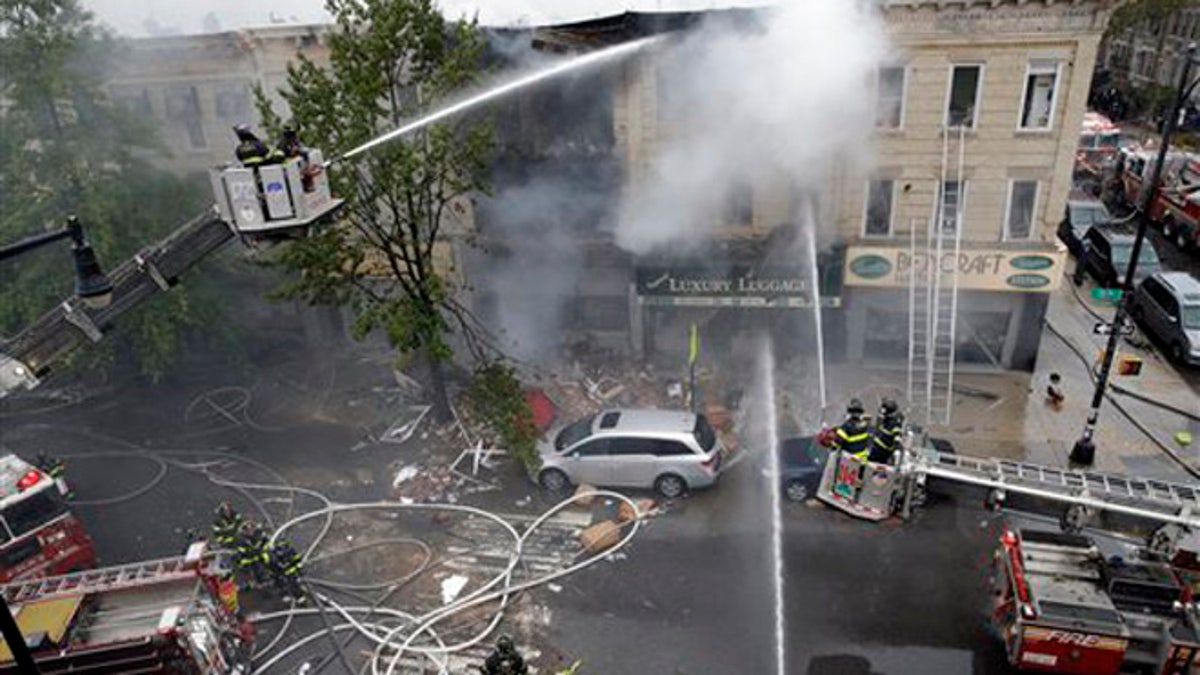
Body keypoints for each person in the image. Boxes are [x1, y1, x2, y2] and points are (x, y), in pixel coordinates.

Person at [234, 522, 270, 589]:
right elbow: (242, 552)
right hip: (248, 558)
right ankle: (250, 581)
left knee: (268, 560)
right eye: (248, 530)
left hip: (260, 554)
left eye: (252, 529)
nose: (250, 532)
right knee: (251, 567)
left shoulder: (259, 533)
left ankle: (266, 577)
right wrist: (252, 553)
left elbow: (267, 542)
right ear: (244, 531)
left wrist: (263, 551)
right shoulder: (241, 539)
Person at [868, 398, 904, 464]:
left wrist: (896, 451)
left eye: (884, 411)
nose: (882, 414)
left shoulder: (895, 424)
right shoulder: (885, 421)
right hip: (875, 450)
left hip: (882, 453)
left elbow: (897, 438)